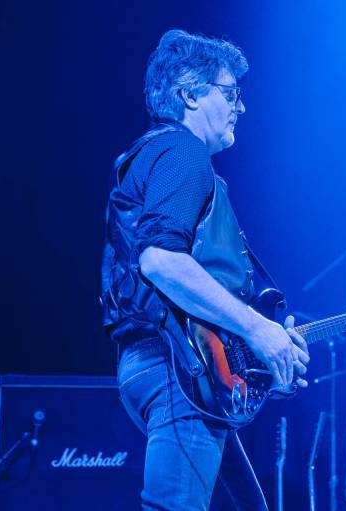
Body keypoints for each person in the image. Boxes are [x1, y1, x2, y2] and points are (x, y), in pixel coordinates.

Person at [101, 29, 309, 510]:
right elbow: (161, 260)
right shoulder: (182, 150)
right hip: (176, 366)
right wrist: (257, 328)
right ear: (190, 94)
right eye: (230, 93)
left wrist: (262, 356)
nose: (242, 107)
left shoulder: (166, 156)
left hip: (175, 369)